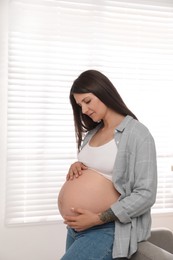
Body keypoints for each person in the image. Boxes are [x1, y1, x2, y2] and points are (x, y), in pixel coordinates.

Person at [58, 70, 157, 260]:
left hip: (106, 228)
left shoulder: (138, 134)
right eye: (80, 106)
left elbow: (146, 194)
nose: (84, 110)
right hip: (76, 228)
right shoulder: (92, 133)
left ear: (103, 92)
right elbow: (100, 169)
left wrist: (97, 218)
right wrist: (77, 166)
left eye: (87, 101)